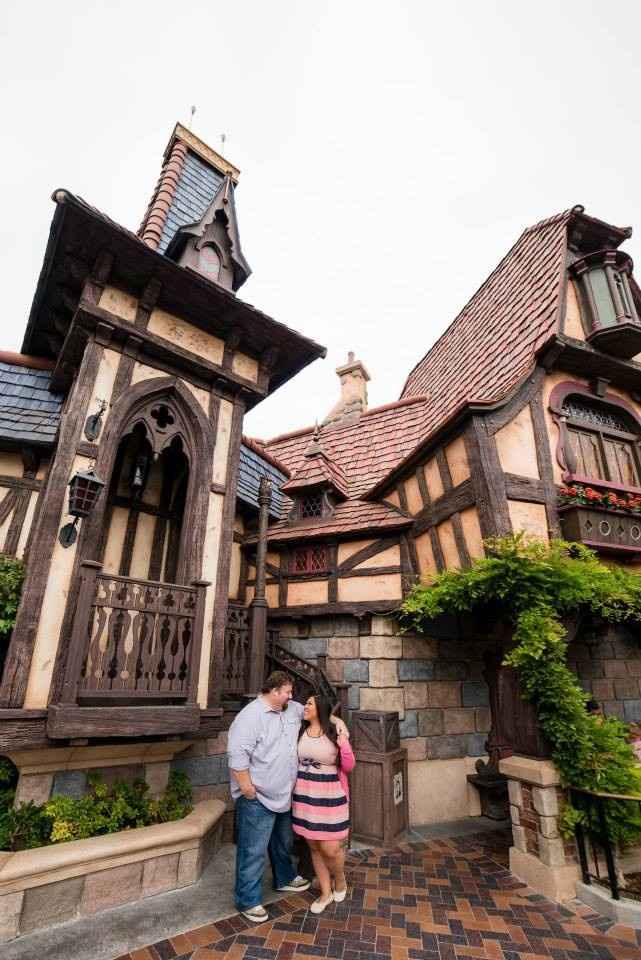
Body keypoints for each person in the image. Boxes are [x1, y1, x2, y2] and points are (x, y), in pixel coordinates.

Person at [227, 671, 348, 923]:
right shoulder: (250, 717)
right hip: (258, 796)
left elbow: (321, 713)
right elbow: (237, 756)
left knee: (282, 842)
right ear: (273, 691)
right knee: (253, 851)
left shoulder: (291, 710)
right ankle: (247, 900)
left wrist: (337, 721)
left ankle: (284, 878)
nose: (292, 697)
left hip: (285, 794)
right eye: (287, 692)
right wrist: (246, 788)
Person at [292, 693, 355, 915]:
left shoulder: (334, 731)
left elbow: (349, 766)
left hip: (330, 796)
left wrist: (342, 736)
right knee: (314, 847)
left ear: (320, 708)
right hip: (305, 796)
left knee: (331, 847)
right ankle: (325, 893)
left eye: (309, 703)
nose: (305, 707)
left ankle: (340, 878)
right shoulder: (300, 730)